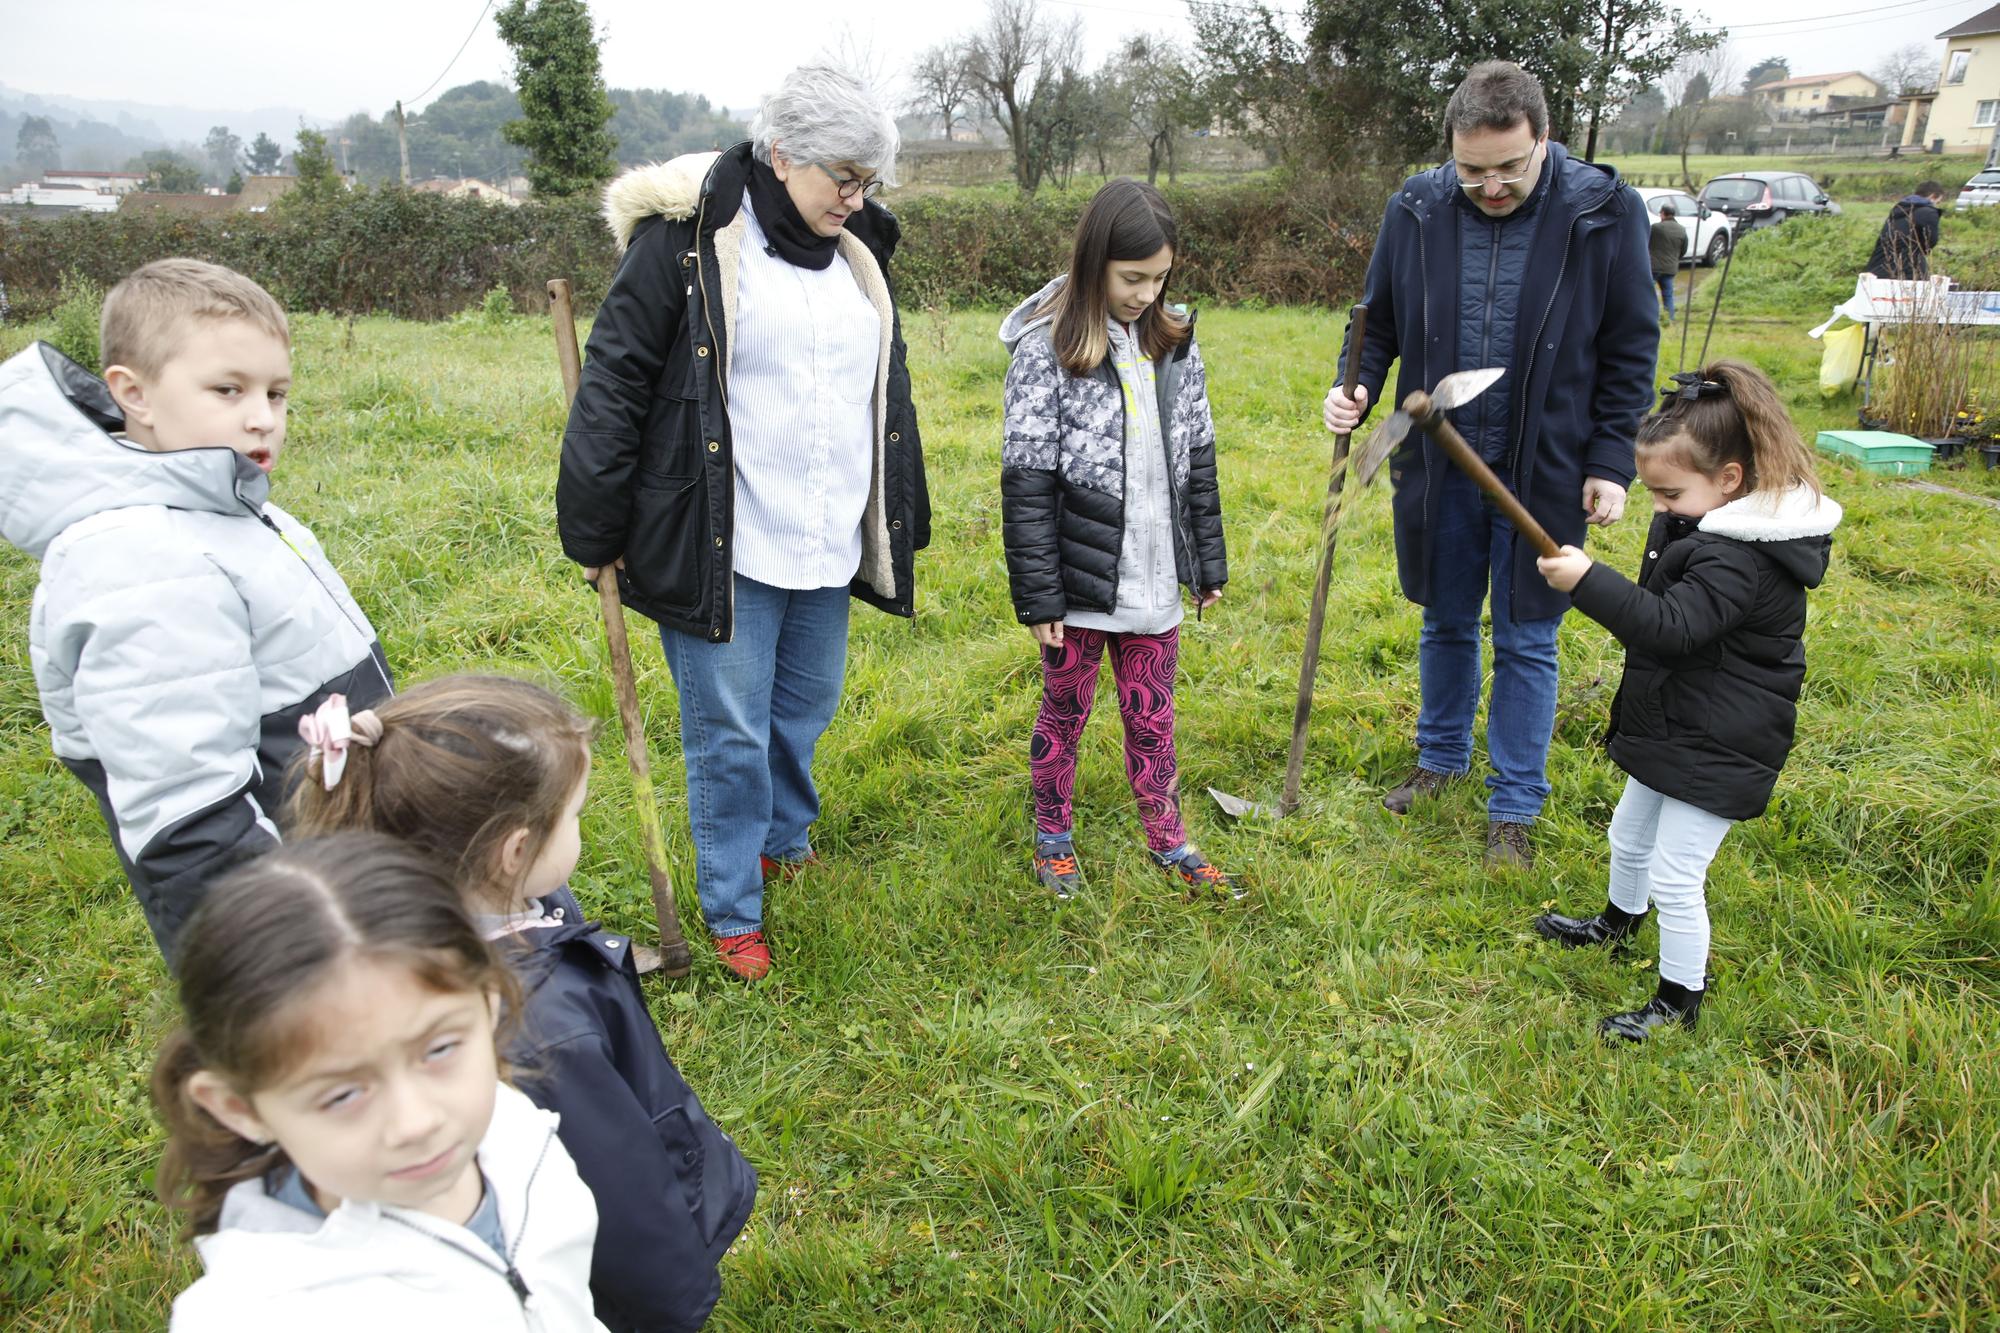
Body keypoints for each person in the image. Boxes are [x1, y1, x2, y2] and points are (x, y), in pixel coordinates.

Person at [558, 65, 929, 980]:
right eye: (841, 176)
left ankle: (781, 836)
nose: (855, 196)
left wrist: (901, 509)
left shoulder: (858, 255)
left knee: (805, 706)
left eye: (868, 181)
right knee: (729, 733)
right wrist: (594, 523)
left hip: (827, 530)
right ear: (780, 153)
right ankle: (732, 909)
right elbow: (613, 384)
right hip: (723, 535)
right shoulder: (685, 245)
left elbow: (889, 391)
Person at [286, 677, 757, 1332]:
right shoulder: (542, 1027)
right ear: (514, 851)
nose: (580, 829)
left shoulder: (387, 947)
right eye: (576, 816)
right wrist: (675, 1297)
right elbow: (619, 1189)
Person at [0, 259, 391, 960]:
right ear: (134, 393)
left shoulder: (221, 509)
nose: (260, 416)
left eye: (277, 393)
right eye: (227, 389)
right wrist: (288, 968)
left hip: (342, 869)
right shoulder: (140, 563)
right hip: (296, 930)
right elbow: (192, 821)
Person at [1322, 61, 1659, 869]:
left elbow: (1629, 345)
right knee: (1443, 616)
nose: (1491, 185)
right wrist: (1356, 385)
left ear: (1544, 138)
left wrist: (1612, 459)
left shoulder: (1602, 212)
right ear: (1451, 152)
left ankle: (1514, 805)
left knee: (1528, 636)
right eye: (1472, 170)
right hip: (1439, 461)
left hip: (1546, 461)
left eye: (1510, 166)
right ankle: (1439, 761)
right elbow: (1377, 319)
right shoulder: (1417, 205)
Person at [153, 834, 610, 1330]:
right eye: (342, 1094)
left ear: (490, 1002)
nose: (416, 1122)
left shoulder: (515, 1124)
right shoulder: (261, 1314)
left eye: (438, 1050)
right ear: (240, 1108)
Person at [1531, 362, 1840, 1040]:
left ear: (1729, 480)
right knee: (1628, 834)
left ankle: (1677, 1001)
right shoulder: (1706, 523)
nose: (1660, 505)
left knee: (1676, 871)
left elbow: (1671, 628)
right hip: (1681, 720)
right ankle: (1617, 923)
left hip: (1723, 740)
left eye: (1669, 492)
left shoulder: (1742, 558)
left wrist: (1588, 580)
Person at [998, 179, 1235, 902]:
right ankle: (1053, 835)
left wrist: (1206, 560)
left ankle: (1168, 837)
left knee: (1152, 715)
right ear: (1095, 260)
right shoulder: (1047, 352)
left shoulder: (1175, 342)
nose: (1146, 292)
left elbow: (1198, 453)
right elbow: (1027, 477)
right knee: (1064, 712)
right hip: (1078, 584)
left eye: (1160, 277)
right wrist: (1040, 592)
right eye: (1133, 277)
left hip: (1154, 575)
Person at [1866, 181, 1945, 280]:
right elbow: (1930, 242)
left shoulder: (1899, 208)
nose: (1936, 205)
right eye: (1938, 201)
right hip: (1907, 268)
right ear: (1932, 196)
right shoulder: (1928, 212)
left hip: (1878, 265)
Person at [1649, 203, 1687, 323]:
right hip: (1670, 268)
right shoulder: (1682, 229)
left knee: (1648, 293)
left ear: (1663, 214)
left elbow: (1645, 242)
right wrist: (1675, 259)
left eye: (1661, 213)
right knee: (1668, 295)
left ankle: (1651, 318)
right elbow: (1684, 249)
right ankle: (1669, 319)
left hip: (1654, 267)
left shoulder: (1656, 228)